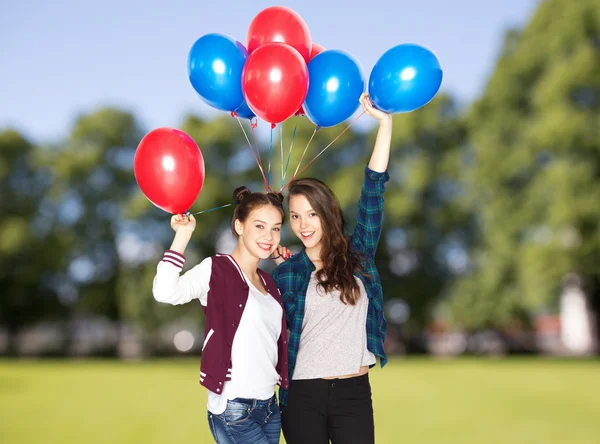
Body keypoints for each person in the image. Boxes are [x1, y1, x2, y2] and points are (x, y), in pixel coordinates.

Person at [272, 93, 392, 444]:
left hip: (353, 392)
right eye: (294, 216)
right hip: (303, 394)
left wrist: (384, 124)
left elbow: (374, 191)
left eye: (311, 214)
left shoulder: (358, 254)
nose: (303, 224)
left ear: (327, 213)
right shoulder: (288, 272)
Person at [152, 187, 289, 444]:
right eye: (259, 226)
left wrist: (286, 264)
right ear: (239, 226)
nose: (269, 236)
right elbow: (164, 292)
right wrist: (183, 236)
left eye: (276, 228)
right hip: (234, 408)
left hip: (270, 407)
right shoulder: (216, 269)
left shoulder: (270, 283)